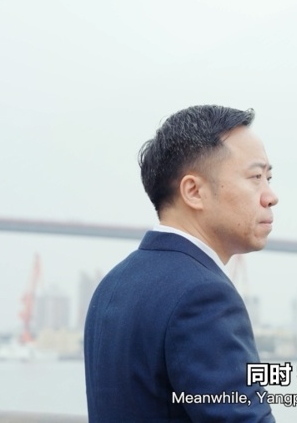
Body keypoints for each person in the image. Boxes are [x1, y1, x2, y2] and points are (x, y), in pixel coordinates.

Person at [84, 105, 278, 422]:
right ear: (194, 191)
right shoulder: (204, 297)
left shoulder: (112, 284)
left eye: (269, 178)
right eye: (255, 177)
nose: (271, 196)